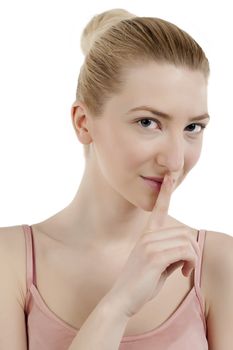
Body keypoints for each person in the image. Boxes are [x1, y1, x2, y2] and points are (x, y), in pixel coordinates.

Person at [0, 8, 232, 350]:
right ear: (83, 122)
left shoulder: (216, 263)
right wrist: (118, 304)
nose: (176, 160)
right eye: (148, 123)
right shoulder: (11, 262)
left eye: (192, 128)